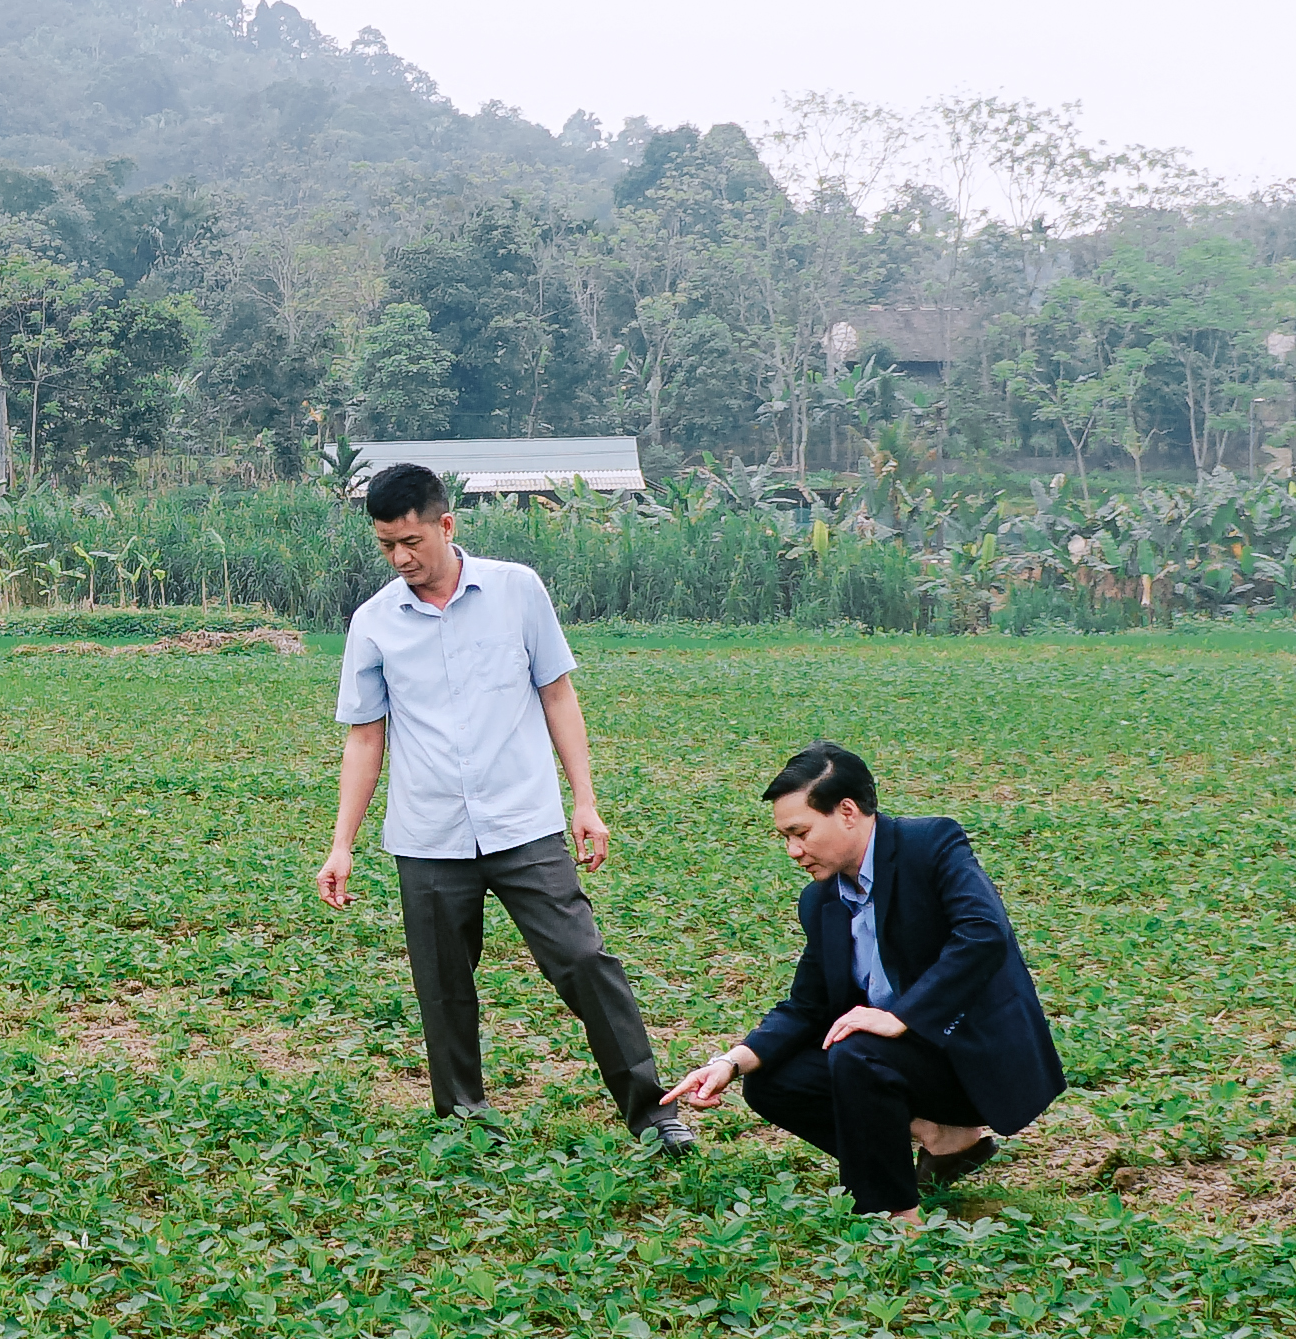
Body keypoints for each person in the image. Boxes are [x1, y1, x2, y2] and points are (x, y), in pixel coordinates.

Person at [318, 461, 686, 1149]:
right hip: (428, 835)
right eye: (386, 547)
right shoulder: (373, 623)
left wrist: (586, 800)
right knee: (444, 988)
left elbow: (556, 694)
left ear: (445, 525)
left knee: (583, 961)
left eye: (411, 542)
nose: (401, 559)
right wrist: (342, 843)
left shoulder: (517, 591)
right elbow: (365, 739)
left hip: (524, 823)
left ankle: (653, 1111)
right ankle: (464, 1119)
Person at [658, 743, 1065, 1218]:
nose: (793, 851)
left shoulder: (930, 843)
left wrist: (901, 1015)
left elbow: (983, 934)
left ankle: (894, 1216)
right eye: (785, 838)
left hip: (972, 1057)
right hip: (895, 1061)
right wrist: (729, 1062)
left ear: (847, 812)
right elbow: (807, 1006)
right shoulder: (821, 900)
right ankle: (940, 1138)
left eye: (800, 833)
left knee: (858, 1051)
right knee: (771, 1082)